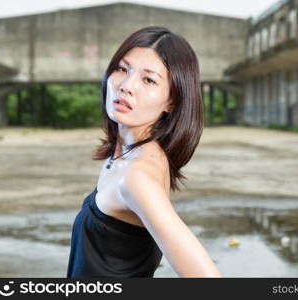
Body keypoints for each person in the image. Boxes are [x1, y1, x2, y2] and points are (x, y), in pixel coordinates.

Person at [67, 26, 222, 278]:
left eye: (148, 79)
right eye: (122, 69)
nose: (126, 86)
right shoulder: (128, 155)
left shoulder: (137, 175)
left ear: (172, 100)